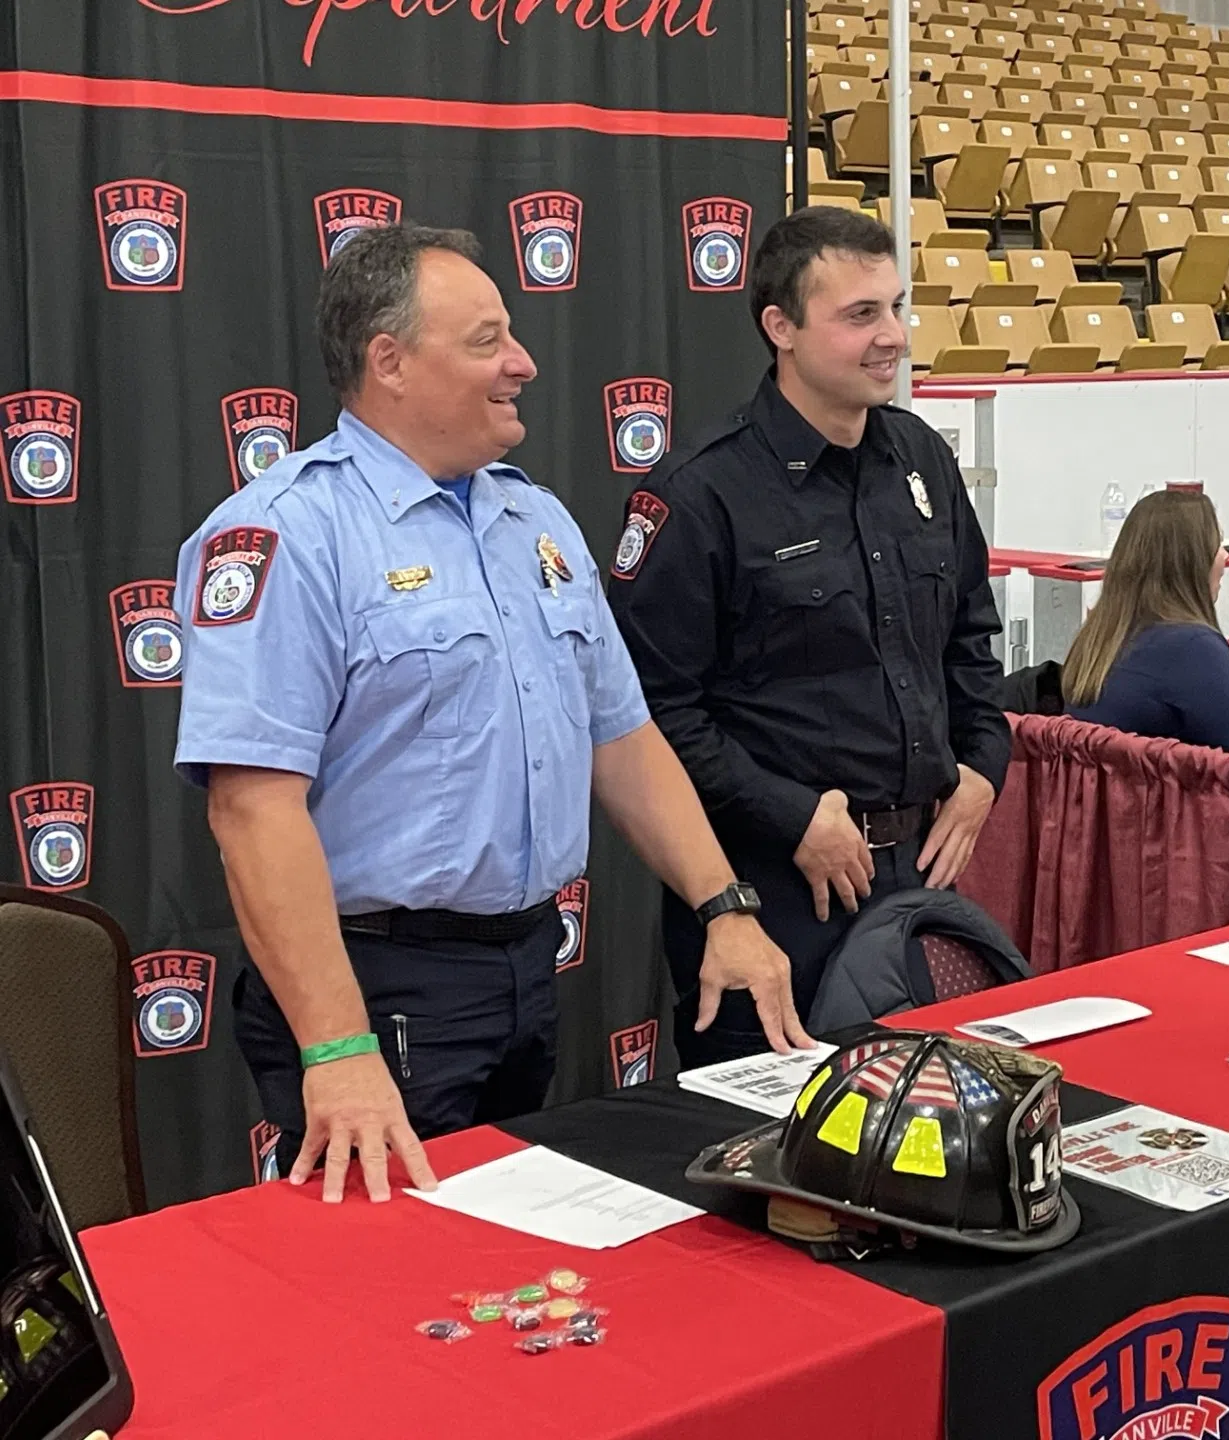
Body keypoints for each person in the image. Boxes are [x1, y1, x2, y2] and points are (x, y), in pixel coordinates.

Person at [173, 223, 807, 1206]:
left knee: (501, 1278)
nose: (523, 362)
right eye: (486, 341)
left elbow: (624, 737)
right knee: (390, 1297)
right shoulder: (286, 534)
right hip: (375, 986)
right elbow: (250, 810)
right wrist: (336, 1046)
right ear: (389, 361)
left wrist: (724, 905)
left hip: (524, 968)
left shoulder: (535, 520)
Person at [608, 207, 1008, 1067]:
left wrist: (982, 770)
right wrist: (791, 816)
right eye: (860, 315)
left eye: (897, 308)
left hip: (922, 874)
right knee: (777, 1161)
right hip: (770, 895)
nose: (891, 337)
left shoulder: (922, 462)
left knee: (928, 1145)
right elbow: (647, 712)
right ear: (779, 327)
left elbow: (972, 635)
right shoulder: (701, 494)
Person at [1061, 489, 1229, 755]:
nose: (1224, 555)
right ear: (1188, 562)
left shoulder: (1096, 639)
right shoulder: (1195, 648)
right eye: (1217, 544)